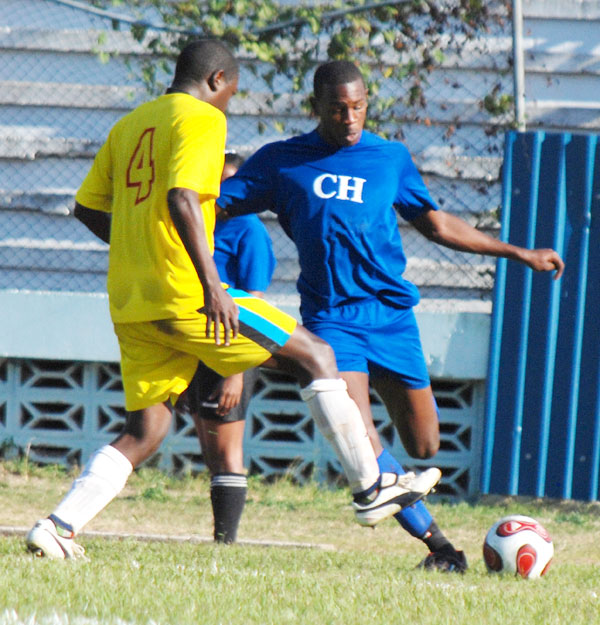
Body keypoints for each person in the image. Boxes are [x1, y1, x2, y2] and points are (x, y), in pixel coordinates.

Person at [25, 42, 441, 560]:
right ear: (217, 79)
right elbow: (183, 198)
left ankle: (59, 525)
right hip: (186, 294)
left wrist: (140, 247)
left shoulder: (130, 125)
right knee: (316, 355)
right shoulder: (200, 119)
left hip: (133, 301)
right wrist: (212, 286)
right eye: (232, 94)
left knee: (147, 427)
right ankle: (371, 486)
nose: (228, 106)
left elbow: (87, 208)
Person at [215, 60, 565, 572]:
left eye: (359, 107)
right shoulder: (281, 162)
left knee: (425, 443)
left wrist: (519, 253)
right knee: (361, 437)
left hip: (393, 319)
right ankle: (442, 549)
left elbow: (437, 224)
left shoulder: (389, 158)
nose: (351, 117)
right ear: (316, 107)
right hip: (334, 320)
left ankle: (405, 496)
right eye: (339, 109)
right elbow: (214, 207)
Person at [184, 152, 276, 543]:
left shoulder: (248, 230)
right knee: (208, 442)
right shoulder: (199, 224)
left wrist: (235, 370)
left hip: (231, 351)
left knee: (227, 447)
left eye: (232, 184)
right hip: (196, 343)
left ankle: (227, 541)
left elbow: (253, 304)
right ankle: (219, 532)